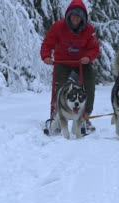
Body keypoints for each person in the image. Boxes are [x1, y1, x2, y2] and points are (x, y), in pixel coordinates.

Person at [40, 0, 100, 131]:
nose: (75, 18)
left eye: (78, 16)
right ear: (68, 15)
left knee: (89, 83)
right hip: (62, 61)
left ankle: (85, 115)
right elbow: (47, 44)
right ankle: (57, 113)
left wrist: (88, 57)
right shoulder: (58, 27)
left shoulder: (89, 30)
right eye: (73, 15)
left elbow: (94, 48)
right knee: (59, 86)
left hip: (82, 62)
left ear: (82, 18)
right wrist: (46, 57)